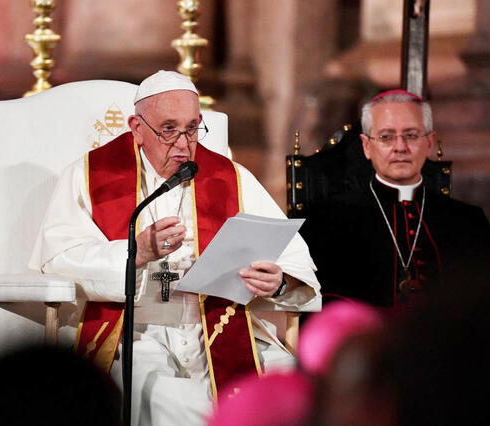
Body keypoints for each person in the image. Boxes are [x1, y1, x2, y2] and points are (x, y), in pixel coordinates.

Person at [29, 70, 321, 425]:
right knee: (169, 398)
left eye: (193, 128)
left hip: (216, 325)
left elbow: (293, 259)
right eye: (169, 129)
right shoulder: (89, 176)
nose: (183, 144)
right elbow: (59, 259)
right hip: (136, 331)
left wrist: (278, 282)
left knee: (294, 385)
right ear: (137, 128)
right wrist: (136, 252)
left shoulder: (231, 177)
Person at [300, 89, 490, 311]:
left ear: (429, 143)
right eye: (386, 137)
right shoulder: (325, 219)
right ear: (367, 146)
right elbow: (314, 305)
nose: (400, 147)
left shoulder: (468, 222)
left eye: (411, 135)